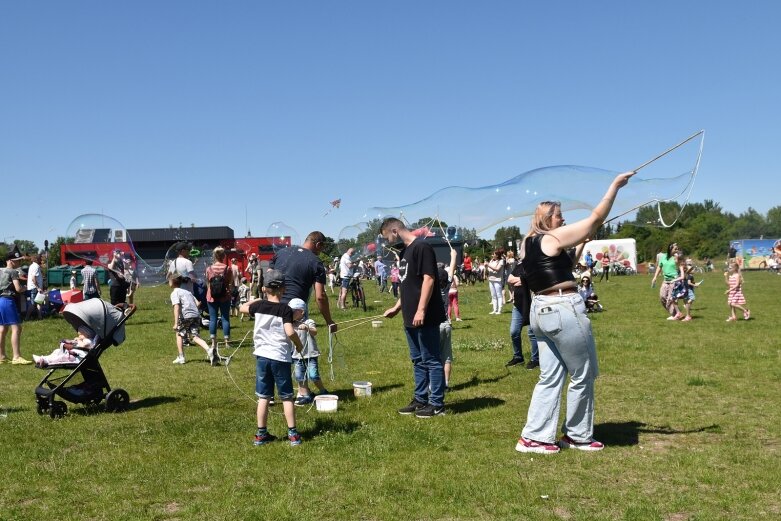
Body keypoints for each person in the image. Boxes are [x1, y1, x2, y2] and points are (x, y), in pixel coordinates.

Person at [515, 170, 634, 455]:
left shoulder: (528, 243)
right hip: (562, 309)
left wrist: (580, 244)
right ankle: (578, 435)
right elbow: (594, 219)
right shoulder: (550, 237)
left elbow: (558, 266)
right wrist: (615, 187)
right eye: (559, 215)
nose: (563, 219)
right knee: (583, 373)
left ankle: (534, 437)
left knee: (550, 376)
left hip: (540, 311)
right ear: (547, 219)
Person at [381, 218, 446, 418]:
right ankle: (420, 399)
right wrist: (397, 307)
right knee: (417, 360)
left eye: (387, 237)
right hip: (409, 316)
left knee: (431, 359)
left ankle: (436, 403)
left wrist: (421, 310)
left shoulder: (422, 247)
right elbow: (408, 285)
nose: (387, 241)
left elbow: (429, 279)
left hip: (424, 315)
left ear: (394, 230)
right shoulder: (404, 252)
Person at [239, 269, 305, 447]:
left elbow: (242, 307)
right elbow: (290, 331)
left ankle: (261, 435)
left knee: (263, 397)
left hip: (262, 357)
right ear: (283, 289)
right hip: (280, 357)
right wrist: (298, 345)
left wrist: (258, 297)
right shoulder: (284, 309)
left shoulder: (258, 306)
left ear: (264, 288)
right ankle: (293, 435)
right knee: (286, 397)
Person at [268, 231, 337, 334]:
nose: (321, 251)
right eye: (322, 248)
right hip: (296, 312)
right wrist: (329, 321)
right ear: (318, 245)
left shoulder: (281, 253)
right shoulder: (316, 262)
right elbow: (320, 296)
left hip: (272, 308)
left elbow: (269, 276)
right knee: (297, 347)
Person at [288, 298, 329, 406]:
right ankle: (306, 395)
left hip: (310, 354)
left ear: (301, 311)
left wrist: (307, 328)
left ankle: (323, 391)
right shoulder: (290, 324)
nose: (290, 313)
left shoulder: (309, 321)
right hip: (297, 356)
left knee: (313, 375)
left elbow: (315, 332)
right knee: (299, 377)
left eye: (293, 311)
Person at [168, 274, 216, 365]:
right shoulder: (188, 292)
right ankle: (209, 350)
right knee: (195, 337)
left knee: (179, 334)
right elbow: (198, 303)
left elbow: (177, 307)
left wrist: (175, 323)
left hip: (185, 316)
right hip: (196, 315)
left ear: (173, 283)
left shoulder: (175, 293)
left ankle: (181, 357)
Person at [506, 260, 540, 369]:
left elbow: (535, 281)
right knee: (514, 331)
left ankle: (536, 359)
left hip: (532, 304)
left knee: (532, 332)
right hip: (518, 305)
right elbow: (509, 279)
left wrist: (523, 281)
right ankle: (518, 357)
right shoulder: (520, 265)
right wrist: (523, 279)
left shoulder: (536, 265)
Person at [0, 248, 32, 364]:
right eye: (17, 261)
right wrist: (26, 288)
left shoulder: (0, 270)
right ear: (11, 260)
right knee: (16, 327)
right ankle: (16, 356)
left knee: (2, 329)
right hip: (8, 300)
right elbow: (18, 289)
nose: (19, 263)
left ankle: (1, 357)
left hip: (0, 300)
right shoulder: (13, 272)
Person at [205, 246, 233, 359]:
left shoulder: (209, 269)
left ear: (214, 256)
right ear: (223, 256)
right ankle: (227, 342)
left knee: (213, 318)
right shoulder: (227, 268)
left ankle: (213, 343)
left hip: (211, 296)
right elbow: (229, 283)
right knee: (225, 318)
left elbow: (207, 282)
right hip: (224, 296)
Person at [437, 248, 458, 389]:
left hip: (435, 325)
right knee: (447, 356)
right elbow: (451, 271)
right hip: (447, 324)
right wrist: (453, 256)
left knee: (434, 357)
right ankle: (446, 384)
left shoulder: (431, 289)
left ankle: (435, 385)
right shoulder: (446, 287)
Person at [651, 243, 683, 320]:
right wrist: (655, 277)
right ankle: (676, 313)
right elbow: (659, 266)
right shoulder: (663, 257)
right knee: (662, 297)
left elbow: (682, 265)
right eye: (675, 249)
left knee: (670, 299)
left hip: (674, 281)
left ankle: (675, 314)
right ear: (670, 249)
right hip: (665, 281)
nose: (677, 250)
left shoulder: (676, 257)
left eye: (677, 249)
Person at [26, 253, 44, 320]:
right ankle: (27, 317)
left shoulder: (33, 265)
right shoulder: (35, 266)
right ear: (37, 259)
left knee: (39, 302)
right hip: (34, 288)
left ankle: (40, 317)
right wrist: (38, 287)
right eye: (40, 258)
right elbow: (33, 278)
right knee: (33, 304)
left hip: (35, 287)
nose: (41, 259)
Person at [486, 249, 505, 315]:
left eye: (493, 254)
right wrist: (487, 266)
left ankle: (499, 310)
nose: (492, 255)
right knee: (493, 295)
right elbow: (489, 270)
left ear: (497, 255)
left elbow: (497, 269)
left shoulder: (501, 261)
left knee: (499, 295)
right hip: (491, 279)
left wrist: (488, 265)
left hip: (497, 280)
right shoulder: (491, 260)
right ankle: (494, 309)